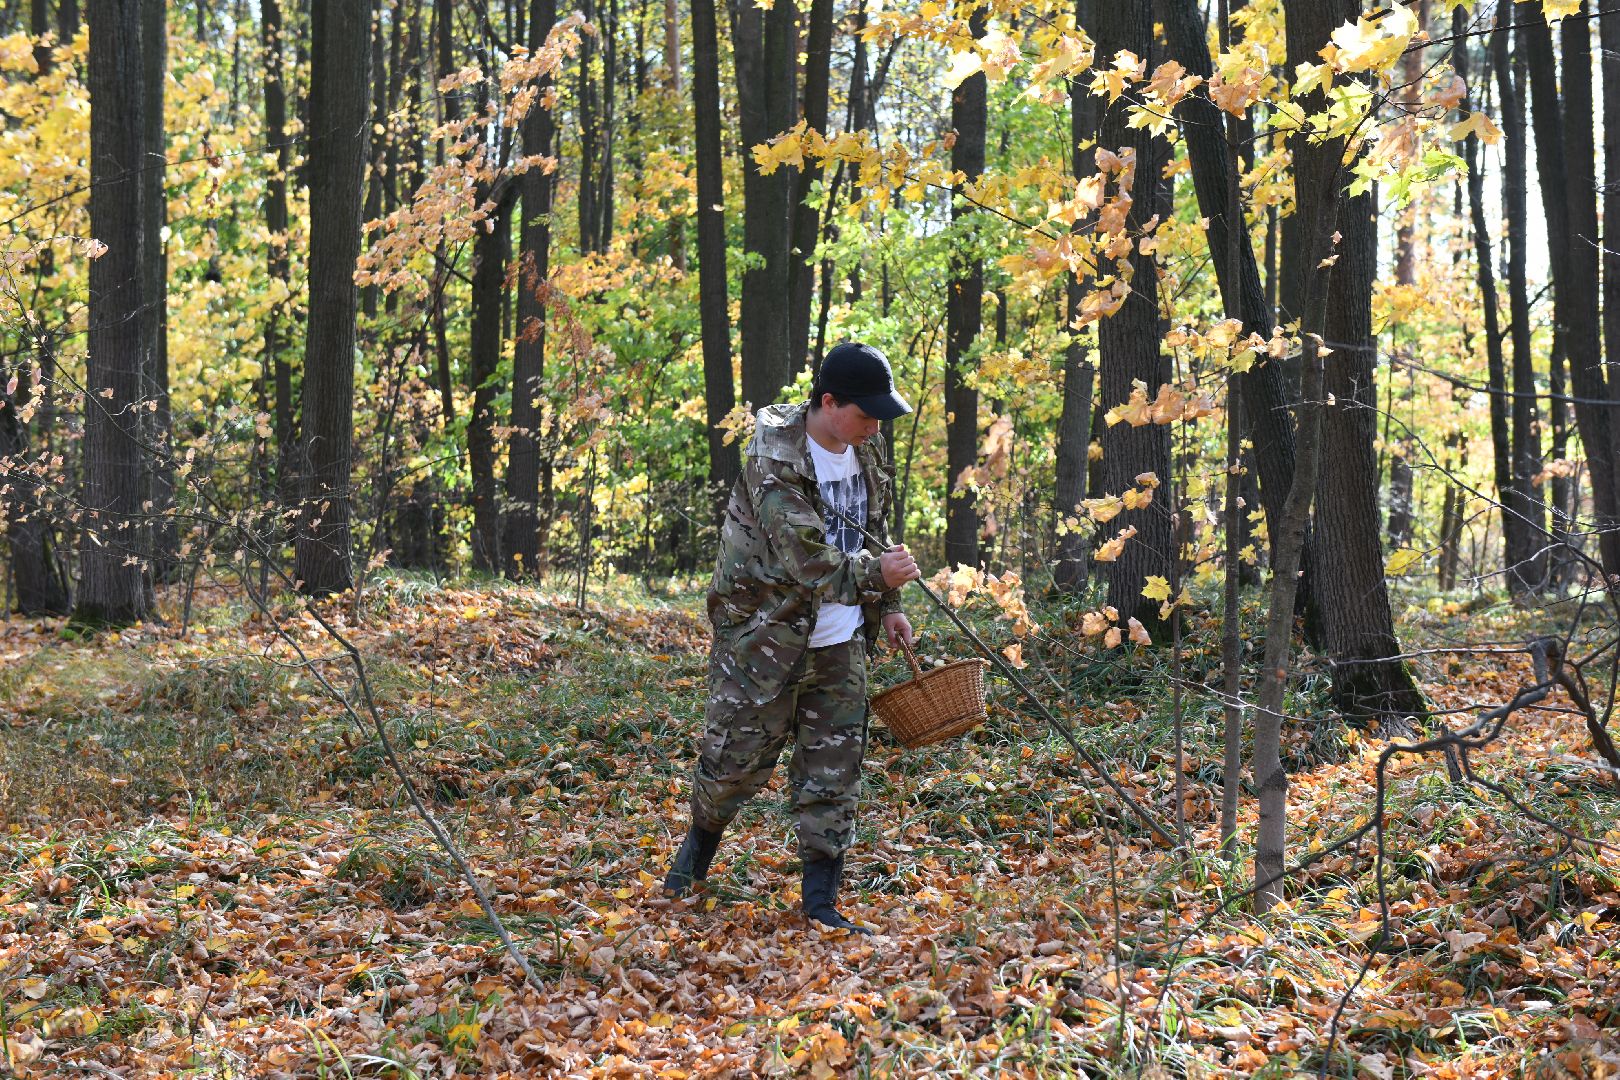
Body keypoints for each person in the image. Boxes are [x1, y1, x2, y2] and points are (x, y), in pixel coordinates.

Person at [663, 341, 920, 933]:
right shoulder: (772, 459)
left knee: (835, 773)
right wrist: (874, 577)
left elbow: (874, 533)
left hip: (840, 643)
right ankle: (687, 873)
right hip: (764, 642)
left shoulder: (866, 452)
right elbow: (804, 559)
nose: (875, 425)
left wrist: (888, 606)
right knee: (732, 767)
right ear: (828, 402)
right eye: (865, 413)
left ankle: (821, 906)